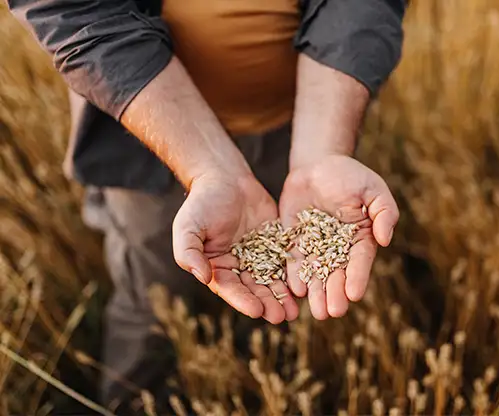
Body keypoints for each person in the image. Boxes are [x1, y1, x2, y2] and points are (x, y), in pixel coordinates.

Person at [9, 0, 406, 411]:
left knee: (283, 291)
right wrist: (206, 166)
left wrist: (322, 148)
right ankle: (132, 401)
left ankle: (256, 372)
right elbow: (73, 10)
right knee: (151, 293)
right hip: (151, 127)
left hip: (302, 117)